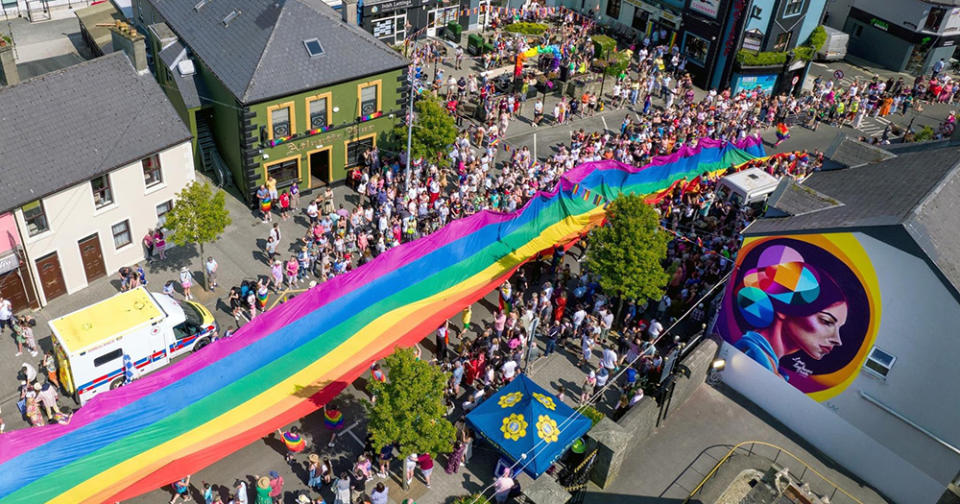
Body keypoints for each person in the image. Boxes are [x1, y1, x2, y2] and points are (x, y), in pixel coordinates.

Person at [732, 247, 847, 378]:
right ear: (784, 310)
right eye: (827, 321)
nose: (838, 340)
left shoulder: (769, 364)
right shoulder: (752, 359)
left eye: (839, 327)